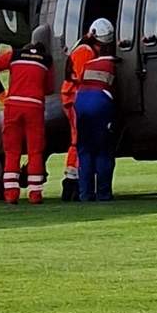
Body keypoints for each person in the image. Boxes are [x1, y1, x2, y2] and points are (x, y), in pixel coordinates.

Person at [0, 25, 54, 204]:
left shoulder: (14, 55)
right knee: (35, 150)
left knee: (12, 150)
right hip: (35, 107)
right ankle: (35, 194)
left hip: (13, 106)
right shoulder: (47, 61)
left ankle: (11, 193)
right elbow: (49, 88)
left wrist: (1, 94)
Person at [73, 18, 117, 202]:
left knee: (85, 151)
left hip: (80, 101)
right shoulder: (113, 64)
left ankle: (85, 194)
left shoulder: (85, 57)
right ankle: (104, 194)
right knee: (103, 151)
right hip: (100, 102)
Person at [59, 27, 98, 201]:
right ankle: (72, 182)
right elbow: (83, 77)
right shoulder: (86, 51)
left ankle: (72, 180)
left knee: (77, 139)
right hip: (75, 97)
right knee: (78, 140)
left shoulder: (81, 48)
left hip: (72, 97)